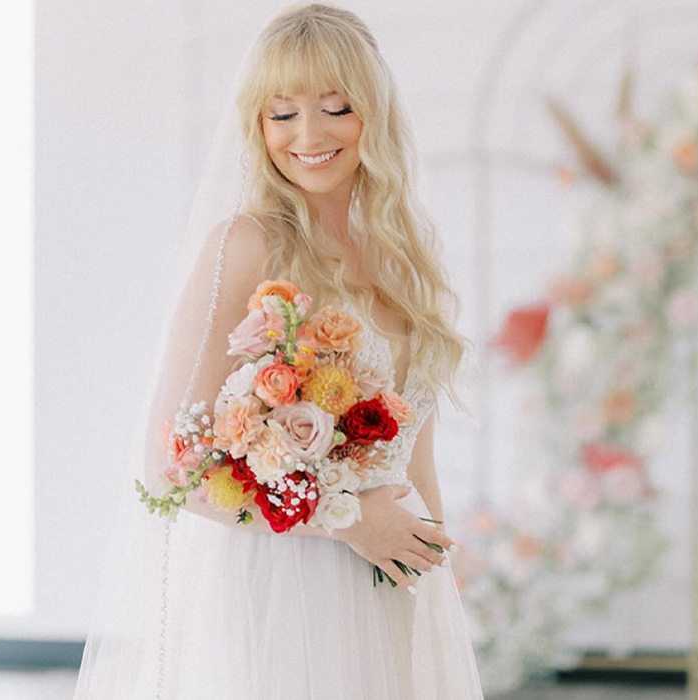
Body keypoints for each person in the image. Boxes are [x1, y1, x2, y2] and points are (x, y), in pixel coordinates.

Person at [73, 4, 484, 698]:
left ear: (373, 114)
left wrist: (437, 572)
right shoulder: (245, 245)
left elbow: (417, 452)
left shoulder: (407, 257)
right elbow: (169, 464)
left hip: (393, 577)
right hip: (287, 587)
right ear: (258, 127)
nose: (310, 135)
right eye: (283, 112)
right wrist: (349, 519)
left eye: (335, 106)